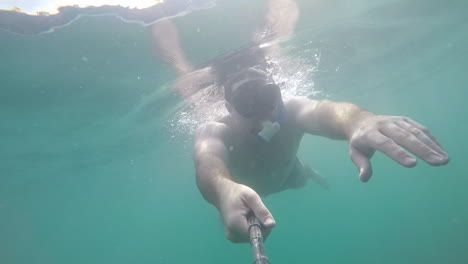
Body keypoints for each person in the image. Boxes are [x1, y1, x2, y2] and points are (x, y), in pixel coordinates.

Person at [152, 0, 450, 244]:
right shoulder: (215, 128)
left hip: (288, 174)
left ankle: (306, 170)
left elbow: (323, 110)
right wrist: (222, 191)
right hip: (244, 196)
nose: (264, 113)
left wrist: (359, 120)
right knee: (250, 207)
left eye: (269, 97)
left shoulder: (288, 110)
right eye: (246, 103)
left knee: (300, 178)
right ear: (228, 107)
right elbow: (207, 162)